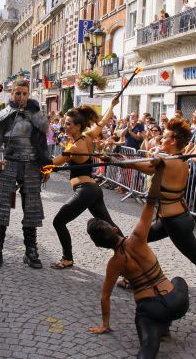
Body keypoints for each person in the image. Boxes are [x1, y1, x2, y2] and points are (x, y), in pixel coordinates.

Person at [121, 118, 196, 303]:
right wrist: (121, 161)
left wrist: (121, 162)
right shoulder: (176, 161)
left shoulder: (169, 162)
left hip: (176, 222)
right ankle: (137, 279)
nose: (161, 139)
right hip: (170, 219)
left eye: (165, 137)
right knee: (134, 243)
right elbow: (149, 166)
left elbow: (144, 167)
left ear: (173, 141)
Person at [87, 160, 189, 359]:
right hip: (176, 303)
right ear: (114, 229)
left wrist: (105, 324)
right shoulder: (138, 237)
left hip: (150, 310)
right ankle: (164, 326)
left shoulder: (114, 264)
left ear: (99, 245)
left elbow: (105, 296)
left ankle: (160, 327)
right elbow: (151, 201)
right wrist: (159, 171)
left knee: (148, 348)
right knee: (179, 281)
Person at [49, 99, 123, 269]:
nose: (65, 126)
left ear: (78, 126)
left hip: (85, 190)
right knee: (111, 226)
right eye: (65, 123)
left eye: (68, 124)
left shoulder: (73, 148)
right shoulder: (88, 136)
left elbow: (52, 163)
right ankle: (129, 252)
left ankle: (67, 258)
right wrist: (112, 106)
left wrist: (36, 162)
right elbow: (102, 122)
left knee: (58, 222)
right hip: (94, 190)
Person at [0, 80, 50, 269]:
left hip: (31, 166)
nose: (21, 97)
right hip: (10, 164)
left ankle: (31, 250)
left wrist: (46, 166)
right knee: (1, 208)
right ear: (11, 93)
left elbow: (42, 144)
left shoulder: (37, 115)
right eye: (18, 93)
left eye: (24, 93)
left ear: (28, 94)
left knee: (31, 209)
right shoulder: (3, 114)